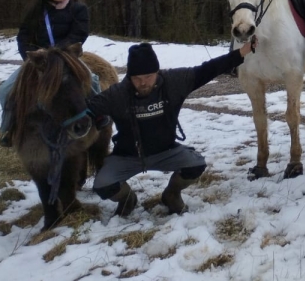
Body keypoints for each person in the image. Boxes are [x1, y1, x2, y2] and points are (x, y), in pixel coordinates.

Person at [87, 41, 253, 216]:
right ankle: (128, 199)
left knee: (195, 165)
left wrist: (240, 53)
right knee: (102, 185)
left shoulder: (174, 82)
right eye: (137, 78)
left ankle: (172, 194)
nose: (143, 83)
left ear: (157, 72)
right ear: (129, 77)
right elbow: (86, 108)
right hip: (127, 156)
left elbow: (208, 69)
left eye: (148, 77)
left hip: (166, 152)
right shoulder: (117, 94)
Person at [0, 0, 105, 147]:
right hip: (40, 61)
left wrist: (58, 53)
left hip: (68, 58)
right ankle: (10, 128)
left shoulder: (78, 8)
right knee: (6, 89)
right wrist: (31, 56)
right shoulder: (35, 11)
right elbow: (23, 37)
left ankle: (100, 116)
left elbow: (79, 34)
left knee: (92, 79)